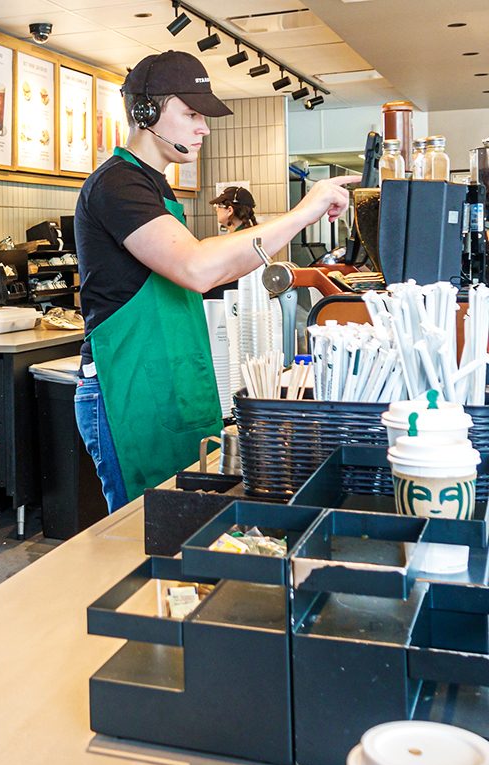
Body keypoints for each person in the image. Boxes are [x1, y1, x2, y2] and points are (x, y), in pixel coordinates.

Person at [73, 51, 358, 512]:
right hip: (129, 389)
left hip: (166, 381)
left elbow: (220, 267)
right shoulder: (117, 185)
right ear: (144, 112)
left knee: (181, 524)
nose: (204, 128)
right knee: (140, 530)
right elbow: (198, 267)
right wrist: (304, 211)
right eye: (191, 114)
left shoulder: (155, 186)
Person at [204, 185, 259, 299]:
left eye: (218, 205)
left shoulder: (235, 242)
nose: (216, 209)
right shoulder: (250, 237)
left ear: (230, 210)